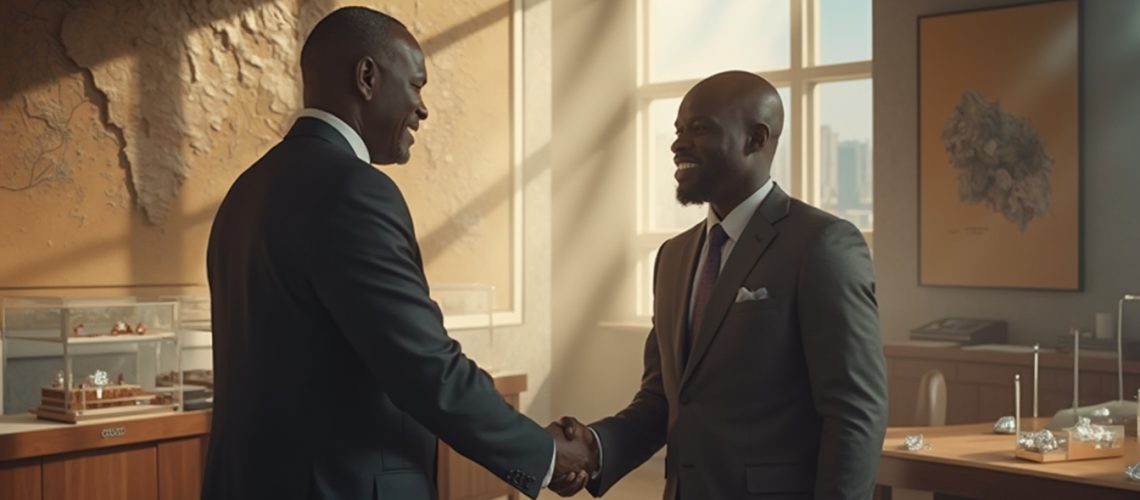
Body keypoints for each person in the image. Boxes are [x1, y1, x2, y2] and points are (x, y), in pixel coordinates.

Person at [203, 7, 592, 500]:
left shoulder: (244, 192)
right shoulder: (354, 190)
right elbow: (423, 366)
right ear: (367, 77)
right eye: (416, 86)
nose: (422, 108)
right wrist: (547, 456)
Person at [553, 71, 888, 499]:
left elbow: (855, 412)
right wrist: (593, 449)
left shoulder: (822, 246)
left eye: (700, 129)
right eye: (678, 131)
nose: (678, 144)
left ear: (756, 138)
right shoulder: (673, 257)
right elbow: (665, 402)